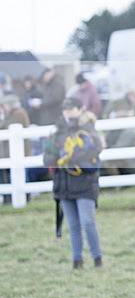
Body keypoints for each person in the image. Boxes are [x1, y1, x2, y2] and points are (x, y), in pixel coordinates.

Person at [43, 97, 104, 269]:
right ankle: (77, 260)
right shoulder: (56, 133)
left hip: (84, 183)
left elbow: (95, 149)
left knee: (87, 222)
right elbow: (47, 157)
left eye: (71, 109)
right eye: (65, 109)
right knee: (73, 225)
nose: (67, 112)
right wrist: (57, 158)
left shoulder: (87, 130)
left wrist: (68, 158)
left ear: (80, 109)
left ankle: (97, 257)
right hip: (64, 184)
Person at [101, 90, 135, 175]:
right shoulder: (121, 103)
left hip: (127, 163)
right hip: (116, 132)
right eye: (134, 98)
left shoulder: (128, 132)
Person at [1, 94, 31, 203]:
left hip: (18, 151)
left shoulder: (17, 114)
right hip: (12, 152)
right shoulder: (14, 114)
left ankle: (22, 199)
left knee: (20, 176)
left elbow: (7, 127)